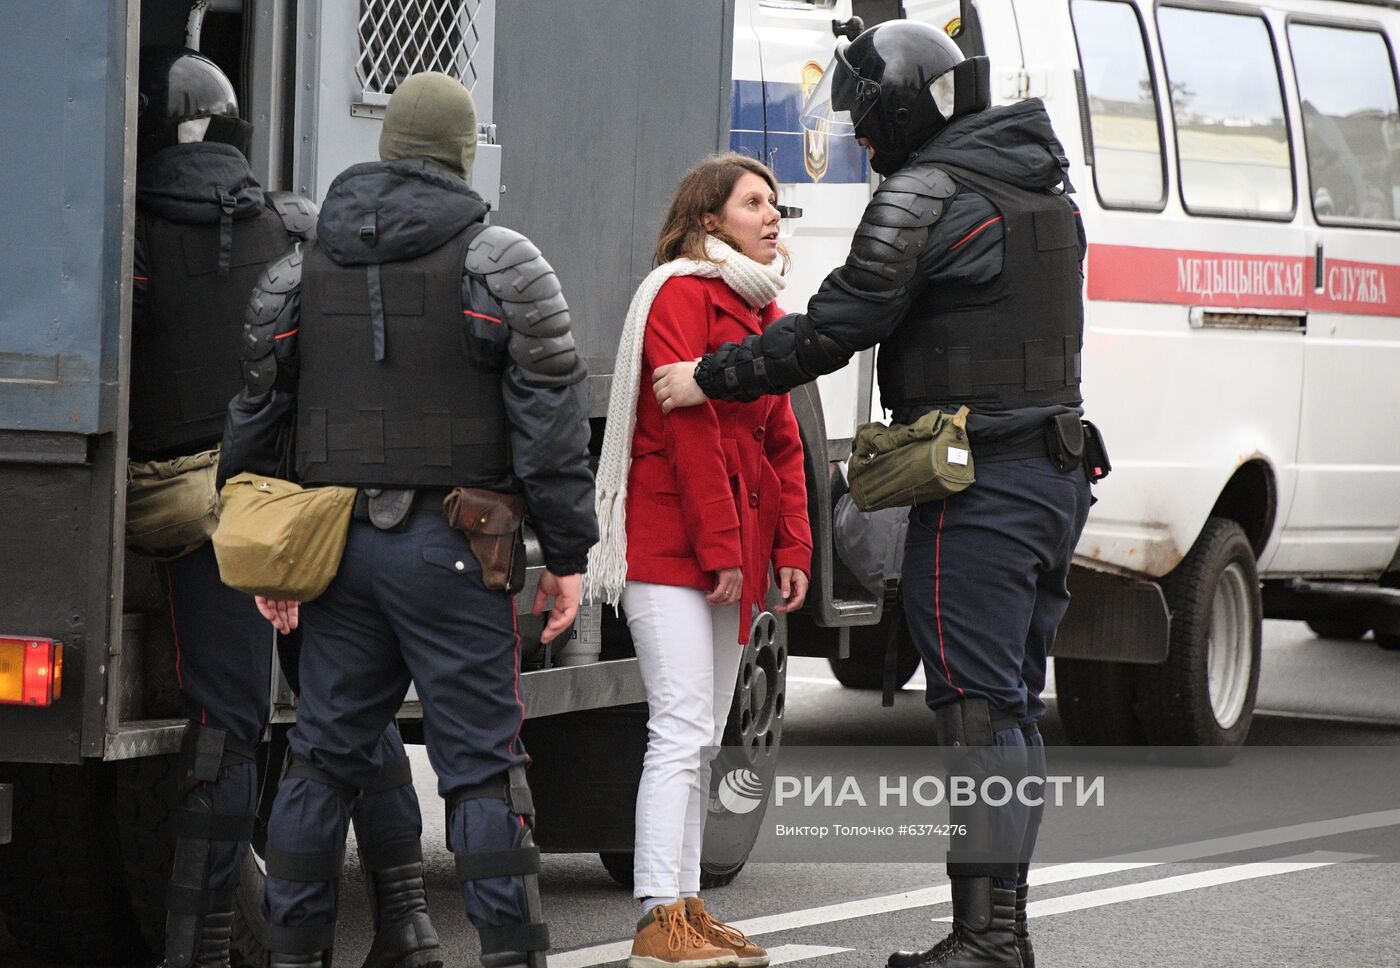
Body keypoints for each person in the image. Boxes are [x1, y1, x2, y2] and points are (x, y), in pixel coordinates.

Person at [652, 23, 1093, 968]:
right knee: (1010, 711)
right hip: (1054, 478)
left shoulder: (930, 195)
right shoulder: (1043, 192)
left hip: (982, 489)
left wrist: (716, 374)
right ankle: (1001, 933)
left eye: (865, 116)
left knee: (977, 713)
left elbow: (837, 323)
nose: (860, 137)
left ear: (900, 109)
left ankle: (986, 939)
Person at [219, 71, 596, 968]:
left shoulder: (298, 263)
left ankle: (296, 957)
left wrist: (273, 561)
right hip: (459, 550)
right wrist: (570, 553)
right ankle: (511, 955)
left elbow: (256, 414)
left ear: (387, 149)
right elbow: (550, 417)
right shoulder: (501, 261)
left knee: (321, 757)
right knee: (479, 769)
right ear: (464, 153)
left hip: (335, 548)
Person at [130, 47, 439, 968]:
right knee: (356, 703)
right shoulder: (290, 227)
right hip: (307, 498)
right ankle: (410, 923)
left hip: (207, 511)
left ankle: (206, 944)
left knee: (225, 721)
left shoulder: (129, 235)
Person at [586, 154, 812, 968]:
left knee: (706, 738)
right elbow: (687, 432)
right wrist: (724, 552)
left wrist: (792, 546)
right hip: (670, 545)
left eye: (775, 203)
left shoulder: (766, 309)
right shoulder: (680, 293)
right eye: (754, 202)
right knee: (680, 731)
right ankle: (656, 915)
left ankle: (686, 906)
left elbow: (779, 438)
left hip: (729, 552)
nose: (771, 214)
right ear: (710, 218)